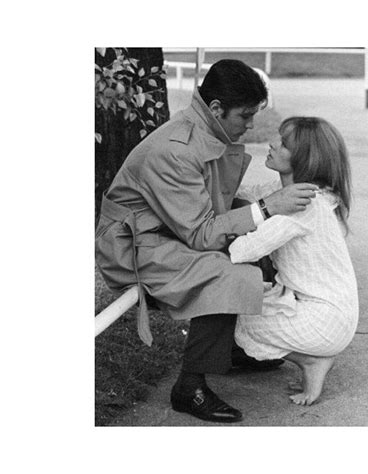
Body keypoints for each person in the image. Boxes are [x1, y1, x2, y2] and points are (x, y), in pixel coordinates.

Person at [95, 60, 318, 423]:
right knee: (224, 271)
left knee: (254, 241)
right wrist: (264, 208)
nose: (250, 125)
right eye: (245, 116)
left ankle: (228, 350)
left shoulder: (204, 129)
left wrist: (259, 215)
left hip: (165, 231)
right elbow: (200, 234)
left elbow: (212, 206)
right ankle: (189, 388)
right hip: (131, 247)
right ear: (216, 108)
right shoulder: (176, 148)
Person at [229, 116, 359, 406]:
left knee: (242, 321)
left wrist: (210, 234)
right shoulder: (304, 193)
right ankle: (311, 359)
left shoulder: (303, 205)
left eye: (283, 144)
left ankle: (312, 361)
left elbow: (241, 250)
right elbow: (249, 196)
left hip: (325, 321)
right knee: (247, 304)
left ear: (305, 159)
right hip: (330, 312)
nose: (272, 144)